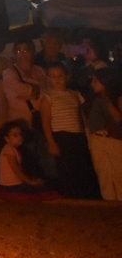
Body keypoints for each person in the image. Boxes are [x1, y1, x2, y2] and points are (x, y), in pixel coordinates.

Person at [40, 64, 100, 199]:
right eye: (53, 76)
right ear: (48, 78)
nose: (57, 79)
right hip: (61, 137)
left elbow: (82, 117)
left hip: (77, 136)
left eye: (60, 75)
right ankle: (69, 196)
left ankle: (83, 196)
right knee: (67, 169)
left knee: (81, 167)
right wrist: (51, 142)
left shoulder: (75, 94)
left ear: (67, 77)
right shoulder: (47, 97)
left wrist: (87, 134)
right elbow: (45, 122)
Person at [0, 121, 59, 201]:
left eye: (20, 134)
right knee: (46, 188)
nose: (20, 137)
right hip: (12, 186)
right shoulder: (9, 150)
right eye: (15, 135)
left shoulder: (13, 149)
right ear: (7, 138)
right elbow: (16, 170)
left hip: (15, 184)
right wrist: (30, 182)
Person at [85, 68, 122, 200]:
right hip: (97, 140)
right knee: (104, 176)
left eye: (96, 80)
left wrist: (108, 100)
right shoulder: (94, 99)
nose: (92, 83)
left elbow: (118, 118)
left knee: (119, 175)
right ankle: (109, 205)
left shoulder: (116, 97)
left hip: (114, 140)